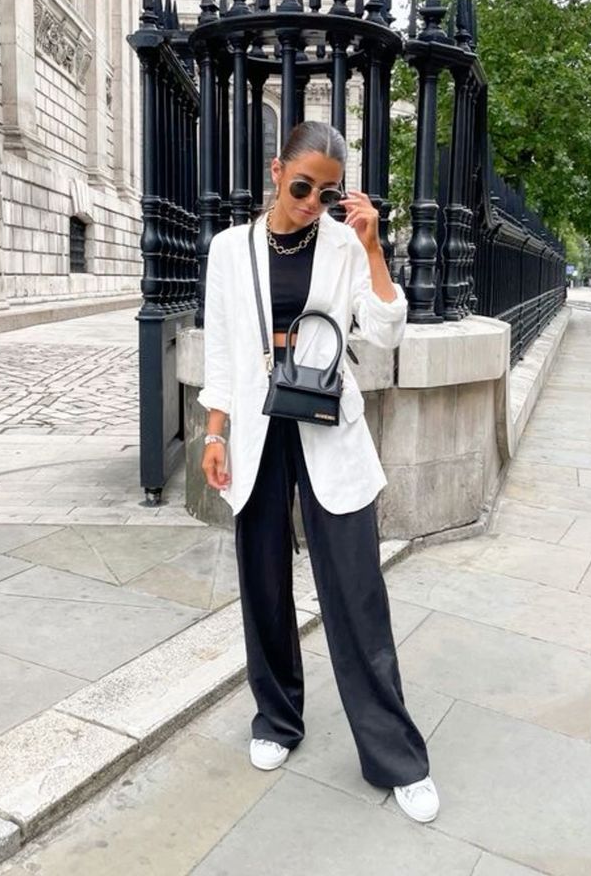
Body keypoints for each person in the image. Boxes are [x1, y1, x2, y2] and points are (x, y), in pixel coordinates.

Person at [198, 120, 439, 824]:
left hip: (328, 429)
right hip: (258, 429)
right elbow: (221, 351)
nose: (311, 202)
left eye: (327, 193)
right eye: (302, 186)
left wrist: (371, 247)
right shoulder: (228, 249)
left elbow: (386, 330)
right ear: (276, 171)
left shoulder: (342, 244)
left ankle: (396, 756)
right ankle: (277, 720)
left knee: (358, 595)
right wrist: (216, 431)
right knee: (264, 586)